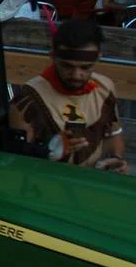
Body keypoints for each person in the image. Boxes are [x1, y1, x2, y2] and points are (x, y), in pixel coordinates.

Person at [10, 18, 126, 172]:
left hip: (93, 182)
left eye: (85, 67)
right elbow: (18, 162)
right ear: (53, 57)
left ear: (98, 58)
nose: (76, 75)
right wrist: (48, 152)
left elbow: (113, 135)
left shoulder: (104, 88)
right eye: (67, 66)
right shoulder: (29, 98)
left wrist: (116, 160)